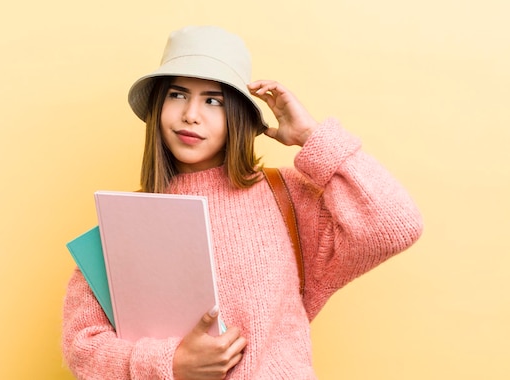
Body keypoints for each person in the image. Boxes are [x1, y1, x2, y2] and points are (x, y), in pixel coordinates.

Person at [62, 25, 423, 379]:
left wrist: (313, 137)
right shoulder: (124, 221)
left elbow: (394, 225)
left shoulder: (286, 197)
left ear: (236, 113)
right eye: (176, 94)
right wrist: (170, 364)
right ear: (158, 105)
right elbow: (83, 348)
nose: (191, 113)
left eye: (213, 100)